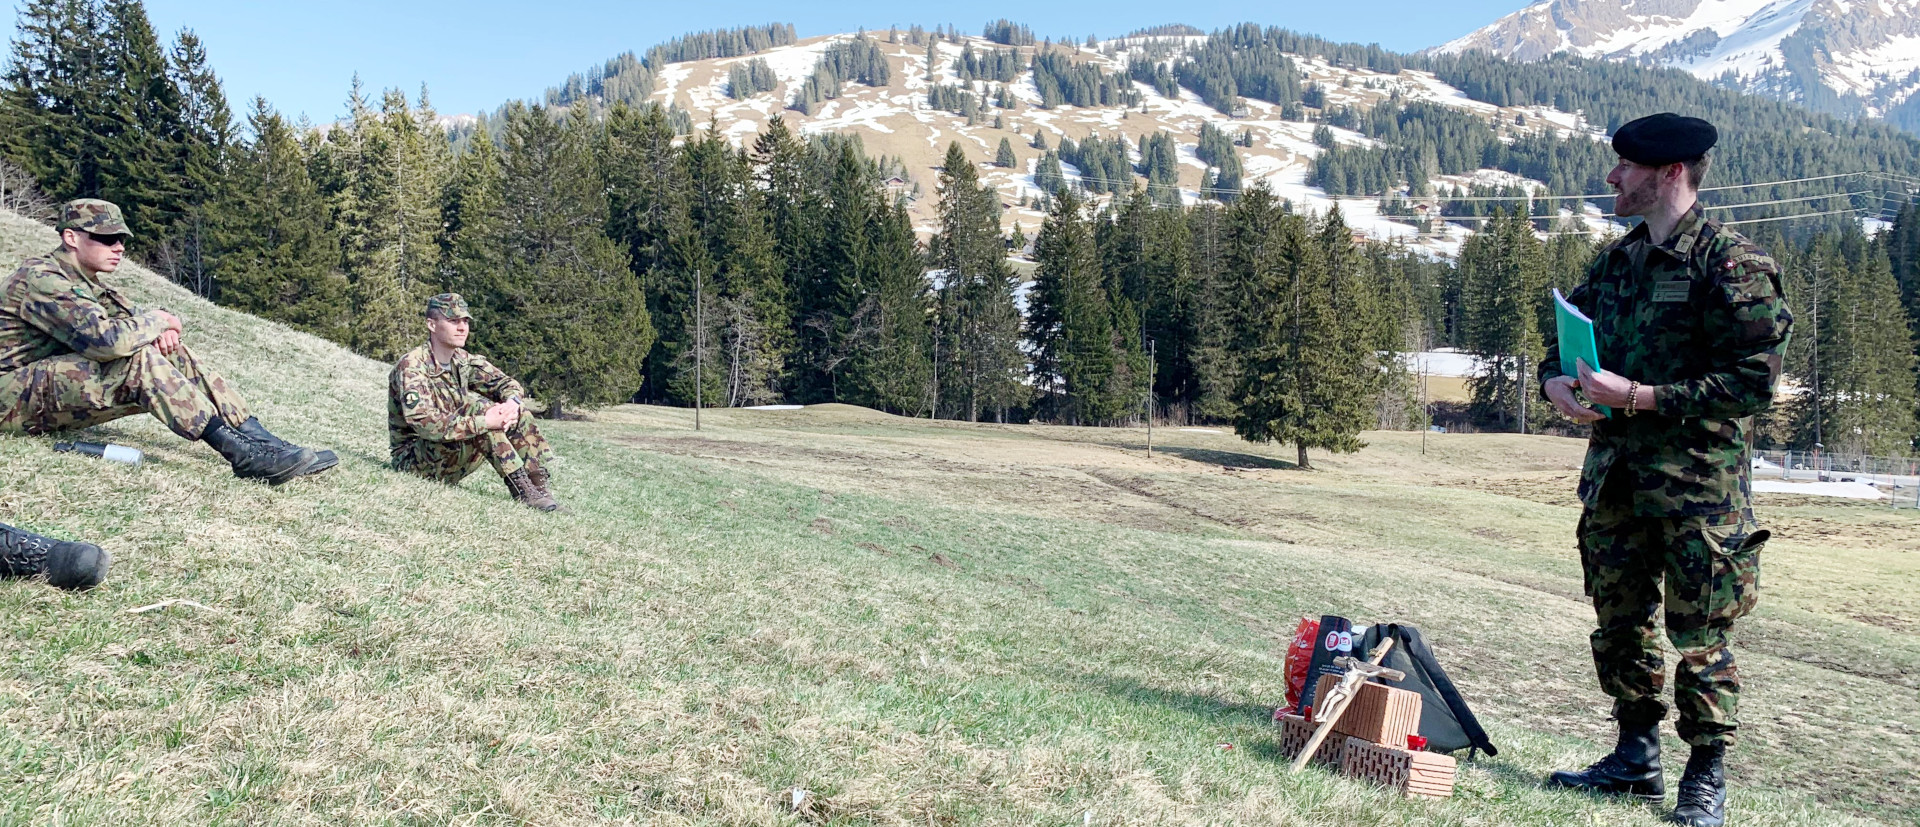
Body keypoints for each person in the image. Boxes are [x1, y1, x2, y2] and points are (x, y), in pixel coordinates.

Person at [1538, 114, 1792, 827]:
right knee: (1621, 624)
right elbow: (1562, 343)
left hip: (1697, 494)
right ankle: (1634, 758)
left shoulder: (1731, 263)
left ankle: (1704, 779)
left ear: (1670, 173)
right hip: (1617, 480)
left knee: (1701, 637)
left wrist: (1644, 398)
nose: (1613, 178)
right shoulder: (1618, 262)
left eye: (1625, 167)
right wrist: (1555, 382)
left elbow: (1753, 381)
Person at [0, 199, 335, 485]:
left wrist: (161, 328)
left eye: (122, 238)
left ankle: (266, 444)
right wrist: (159, 320)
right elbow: (107, 341)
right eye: (107, 238)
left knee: (171, 351)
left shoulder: (87, 282)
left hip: (37, 390)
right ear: (71, 237)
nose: (119, 247)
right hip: (9, 397)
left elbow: (139, 319)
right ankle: (243, 455)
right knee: (136, 361)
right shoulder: (43, 278)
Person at [388, 293, 560, 511]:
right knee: (483, 413)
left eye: (465, 321)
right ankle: (522, 490)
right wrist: (485, 422)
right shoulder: (412, 366)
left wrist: (511, 404)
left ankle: (539, 487)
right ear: (431, 324)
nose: (462, 328)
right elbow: (425, 424)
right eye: (453, 321)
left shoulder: (461, 360)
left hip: (448, 453)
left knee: (515, 410)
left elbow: (507, 384)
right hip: (415, 462)